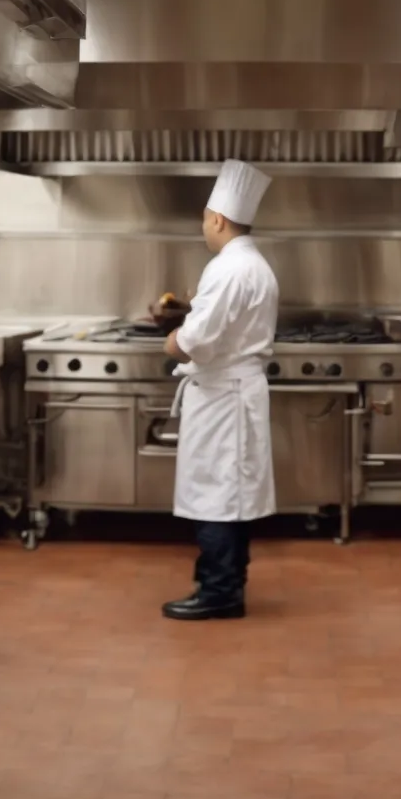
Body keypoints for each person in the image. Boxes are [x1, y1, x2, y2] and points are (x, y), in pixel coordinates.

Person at [161, 159, 279, 620]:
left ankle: (220, 592)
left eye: (204, 219)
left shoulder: (229, 267)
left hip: (223, 398)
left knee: (217, 496)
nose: (204, 227)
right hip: (230, 394)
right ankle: (226, 583)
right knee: (229, 495)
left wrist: (173, 338)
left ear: (217, 219)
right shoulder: (249, 264)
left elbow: (195, 341)